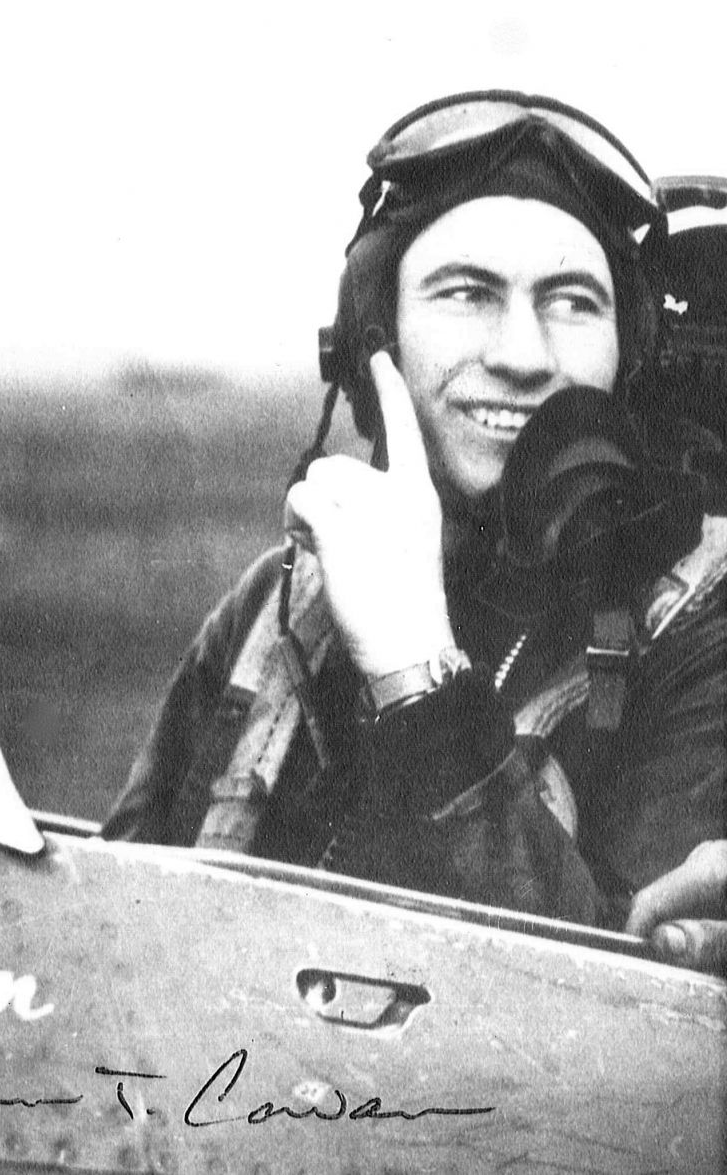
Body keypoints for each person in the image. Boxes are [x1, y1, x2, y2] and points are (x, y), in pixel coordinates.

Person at [104, 91, 726, 966]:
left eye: (573, 301)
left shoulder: (704, 629)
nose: (523, 354)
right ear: (373, 341)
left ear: (633, 355)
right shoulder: (277, 607)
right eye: (468, 293)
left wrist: (418, 678)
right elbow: (113, 939)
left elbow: (612, 1026)